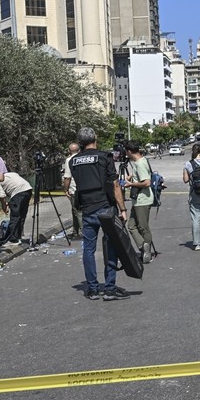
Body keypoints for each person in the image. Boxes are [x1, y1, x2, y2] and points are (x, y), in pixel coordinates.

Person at [68, 127, 130, 300]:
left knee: (88, 249)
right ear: (95, 137)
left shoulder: (73, 161)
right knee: (111, 247)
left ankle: (93, 288)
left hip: (87, 209)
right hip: (106, 208)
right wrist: (123, 209)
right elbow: (115, 185)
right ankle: (109, 288)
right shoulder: (104, 157)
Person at [124, 140, 156, 263]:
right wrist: (131, 176)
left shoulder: (140, 163)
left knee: (143, 227)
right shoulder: (139, 162)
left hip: (143, 200)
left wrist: (131, 184)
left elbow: (146, 182)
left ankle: (147, 252)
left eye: (126, 152)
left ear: (129, 151)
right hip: (137, 200)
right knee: (131, 226)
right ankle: (143, 246)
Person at [0, 169, 33, 245]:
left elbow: (1, 194)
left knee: (15, 216)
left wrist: (4, 205)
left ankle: (13, 239)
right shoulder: (11, 174)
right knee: (22, 215)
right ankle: (18, 236)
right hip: (28, 190)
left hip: (18, 192)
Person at [62, 142, 82, 237]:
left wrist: (65, 189)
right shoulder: (83, 158)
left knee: (77, 211)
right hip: (84, 188)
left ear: (69, 151)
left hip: (74, 189)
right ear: (79, 150)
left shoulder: (69, 160)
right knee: (75, 210)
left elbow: (67, 177)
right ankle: (75, 230)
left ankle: (82, 231)